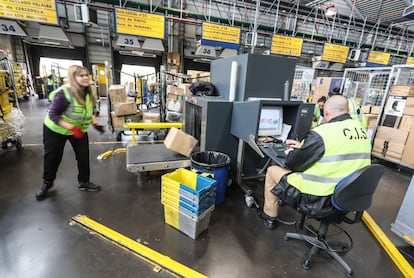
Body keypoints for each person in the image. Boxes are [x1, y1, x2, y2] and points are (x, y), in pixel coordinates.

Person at [257, 95, 372, 229]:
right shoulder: (362, 132)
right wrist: (304, 146)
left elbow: (293, 164)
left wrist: (292, 153)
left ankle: (269, 217)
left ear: (326, 112)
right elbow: (337, 153)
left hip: (318, 199)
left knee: (272, 171)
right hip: (348, 196)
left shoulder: (323, 133)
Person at [36, 65, 105, 201]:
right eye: (81, 75)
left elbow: (89, 111)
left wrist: (95, 124)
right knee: (53, 157)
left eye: (86, 75)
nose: (85, 78)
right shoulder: (65, 93)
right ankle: (47, 183)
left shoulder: (88, 93)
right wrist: (72, 128)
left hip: (78, 129)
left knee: (83, 156)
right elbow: (54, 115)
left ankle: (84, 181)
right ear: (73, 78)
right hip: (56, 129)